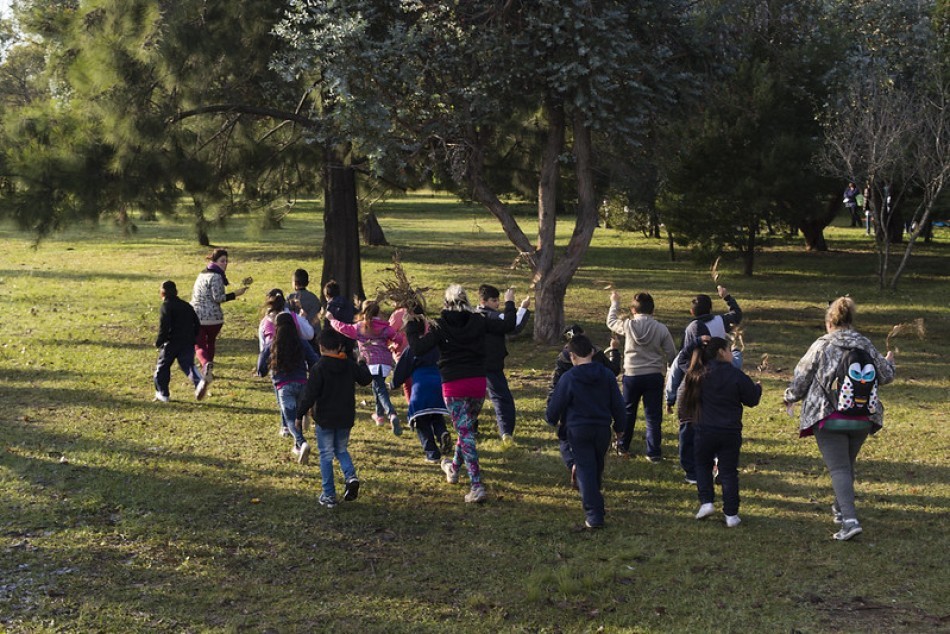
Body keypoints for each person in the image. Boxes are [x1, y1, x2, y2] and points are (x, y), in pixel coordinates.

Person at [782, 297, 895, 541]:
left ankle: (850, 520)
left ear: (830, 322)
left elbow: (801, 377)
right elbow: (886, 376)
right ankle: (839, 509)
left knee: (839, 468)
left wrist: (789, 396)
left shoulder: (822, 344)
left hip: (828, 416)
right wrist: (889, 363)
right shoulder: (864, 343)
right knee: (846, 465)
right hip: (864, 416)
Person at [406, 284, 516, 503]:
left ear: (446, 303)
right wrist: (510, 302)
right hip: (477, 383)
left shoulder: (440, 325)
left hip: (454, 385)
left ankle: (476, 485)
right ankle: (453, 469)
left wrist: (410, 325)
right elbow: (508, 325)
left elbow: (418, 349)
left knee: (466, 433)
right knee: (464, 431)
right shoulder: (478, 320)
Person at [545, 334, 625, 529]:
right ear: (592, 352)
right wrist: (620, 428)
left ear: (572, 356)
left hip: (578, 429)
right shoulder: (607, 375)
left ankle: (594, 513)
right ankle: (595, 498)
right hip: (601, 428)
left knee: (586, 469)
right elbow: (618, 404)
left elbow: (556, 404)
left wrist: (552, 419)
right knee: (596, 466)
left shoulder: (569, 377)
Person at [681, 337, 761, 528]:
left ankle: (706, 502)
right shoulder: (735, 375)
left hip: (704, 428)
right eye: (729, 350)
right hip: (730, 431)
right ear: (721, 352)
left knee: (702, 465)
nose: (731, 354)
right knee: (728, 472)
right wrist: (758, 388)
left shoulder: (697, 374)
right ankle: (731, 513)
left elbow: (683, 361)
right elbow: (751, 399)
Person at [666, 285, 742, 484]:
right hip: (720, 376)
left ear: (692, 312)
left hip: (697, 380)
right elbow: (737, 315)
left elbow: (682, 360)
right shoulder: (720, 320)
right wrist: (727, 297)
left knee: (690, 427)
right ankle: (717, 463)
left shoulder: (692, 329)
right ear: (710, 308)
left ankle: (691, 470)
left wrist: (672, 395)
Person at [296, 329, 373, 508]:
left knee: (326, 455)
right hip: (345, 416)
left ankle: (329, 494)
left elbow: (309, 394)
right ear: (339, 346)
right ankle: (350, 476)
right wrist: (361, 362)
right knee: (341, 449)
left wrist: (300, 414)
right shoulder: (348, 365)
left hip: (325, 418)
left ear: (321, 347)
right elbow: (365, 379)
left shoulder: (319, 367)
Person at [547, 324, 621, 486]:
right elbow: (614, 370)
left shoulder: (562, 359)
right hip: (598, 408)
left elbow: (556, 384)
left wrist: (552, 409)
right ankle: (591, 482)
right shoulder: (597, 355)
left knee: (566, 438)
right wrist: (614, 351)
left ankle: (574, 464)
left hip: (570, 408)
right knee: (595, 450)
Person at [606, 290, 676, 461]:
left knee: (628, 412)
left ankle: (622, 446)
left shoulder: (628, 325)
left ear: (633, 310)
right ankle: (653, 452)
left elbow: (611, 322)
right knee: (653, 415)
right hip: (653, 375)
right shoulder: (661, 328)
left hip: (632, 374)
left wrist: (615, 302)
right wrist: (668, 372)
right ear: (653, 311)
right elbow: (672, 354)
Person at [330, 300, 403, 436]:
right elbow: (398, 338)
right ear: (378, 311)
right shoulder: (385, 327)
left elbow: (343, 328)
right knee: (378, 386)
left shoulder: (360, 327)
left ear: (363, 311)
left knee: (380, 389)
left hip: (370, 362)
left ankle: (391, 413)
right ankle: (379, 415)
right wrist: (393, 346)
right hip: (385, 362)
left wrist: (331, 320)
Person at [256, 313, 318, 464]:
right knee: (298, 415)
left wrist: (263, 372)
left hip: (284, 386)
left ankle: (302, 442)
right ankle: (297, 446)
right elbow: (314, 360)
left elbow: (261, 368)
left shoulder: (272, 344)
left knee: (290, 419)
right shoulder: (301, 342)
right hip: (302, 383)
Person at [476, 284, 531, 443]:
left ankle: (469, 428)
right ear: (483, 301)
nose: (497, 304)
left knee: (473, 399)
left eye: (499, 301)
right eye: (494, 301)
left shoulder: (474, 316)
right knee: (502, 399)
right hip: (491, 366)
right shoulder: (493, 317)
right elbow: (512, 326)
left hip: (474, 365)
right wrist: (513, 304)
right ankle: (506, 432)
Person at [391, 322, 452, 464]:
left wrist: (394, 384)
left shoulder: (412, 349)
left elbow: (402, 369)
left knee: (421, 420)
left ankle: (432, 453)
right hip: (438, 383)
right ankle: (442, 432)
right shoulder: (436, 346)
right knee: (436, 415)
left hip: (420, 385)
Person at [190, 248, 248, 384]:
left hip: (198, 316)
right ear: (214, 261)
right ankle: (208, 369)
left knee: (198, 345)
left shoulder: (202, 274)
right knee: (210, 343)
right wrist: (236, 294)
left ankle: (205, 365)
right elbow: (219, 298)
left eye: (226, 261)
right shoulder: (216, 277)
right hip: (214, 318)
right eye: (222, 261)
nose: (225, 264)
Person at [153, 280, 205, 402]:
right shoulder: (186, 305)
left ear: (162, 293)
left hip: (171, 342)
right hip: (187, 341)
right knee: (187, 365)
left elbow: (164, 326)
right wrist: (194, 337)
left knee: (162, 367)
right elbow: (197, 323)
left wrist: (159, 341)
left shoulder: (166, 306)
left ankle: (163, 393)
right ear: (176, 292)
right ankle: (199, 381)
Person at [322, 279, 357, 359]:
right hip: (349, 341)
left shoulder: (330, 307)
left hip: (335, 343)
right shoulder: (349, 305)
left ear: (327, 295)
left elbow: (327, 327)